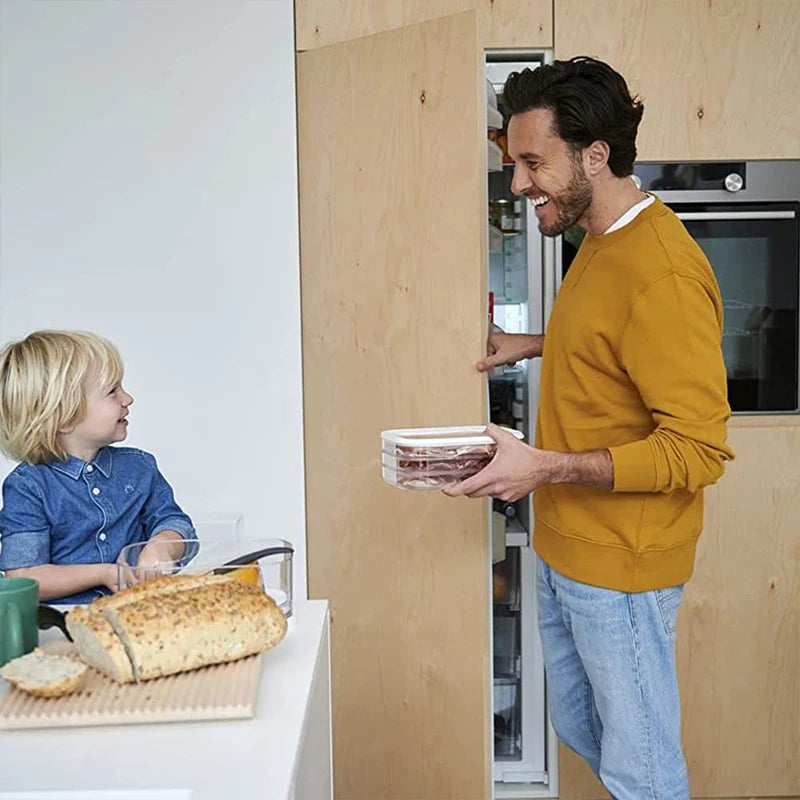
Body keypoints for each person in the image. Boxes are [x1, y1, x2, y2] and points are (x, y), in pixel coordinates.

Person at [445, 57, 734, 798]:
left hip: (622, 570)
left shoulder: (662, 271)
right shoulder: (601, 242)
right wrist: (536, 342)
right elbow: (616, 345)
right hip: (568, 550)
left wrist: (544, 467)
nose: (517, 184)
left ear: (594, 156)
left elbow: (697, 450)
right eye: (513, 164)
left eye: (532, 162)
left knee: (644, 774)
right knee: (586, 731)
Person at [0, 330, 196, 604]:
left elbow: (175, 523)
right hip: (65, 626)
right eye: (112, 391)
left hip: (140, 615)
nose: (127, 399)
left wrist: (162, 545)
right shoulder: (28, 487)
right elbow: (23, 576)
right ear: (65, 417)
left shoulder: (140, 467)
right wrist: (103, 573)